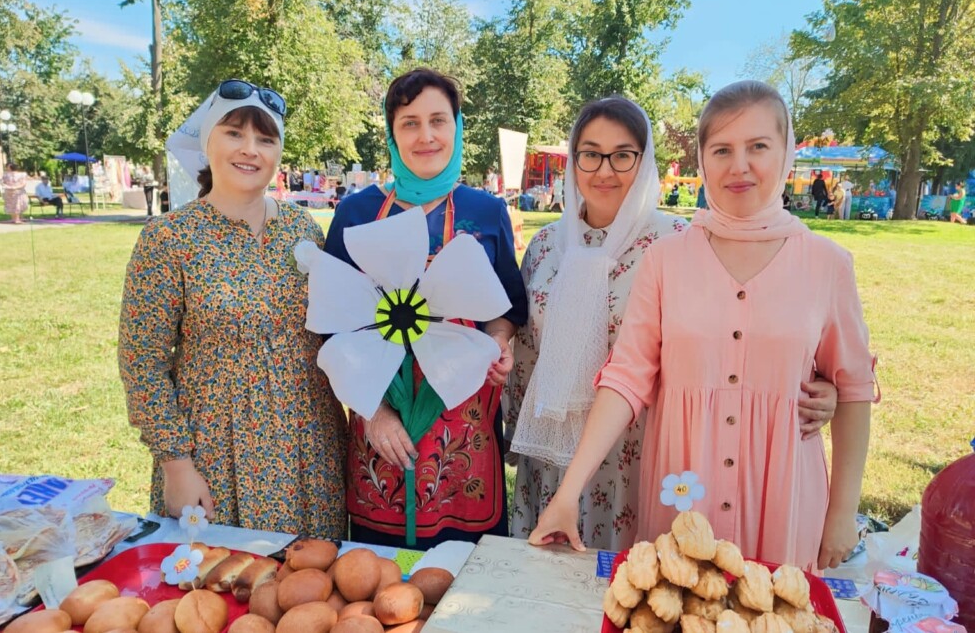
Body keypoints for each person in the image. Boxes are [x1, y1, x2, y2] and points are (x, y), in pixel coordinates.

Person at [530, 81, 876, 572]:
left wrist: (842, 512)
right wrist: (569, 492)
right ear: (702, 159)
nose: (739, 166)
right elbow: (626, 376)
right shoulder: (666, 260)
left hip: (782, 498)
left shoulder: (828, 265)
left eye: (758, 146)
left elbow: (854, 388)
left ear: (787, 152)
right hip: (681, 493)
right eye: (722, 149)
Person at [118, 79, 347, 536]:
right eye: (234, 133)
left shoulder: (303, 230)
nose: (251, 150)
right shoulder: (169, 239)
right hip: (215, 454)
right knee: (222, 590)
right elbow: (142, 362)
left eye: (266, 138)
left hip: (309, 446)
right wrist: (176, 464)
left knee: (310, 591)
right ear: (207, 142)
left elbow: (335, 330)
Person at [324, 67, 527, 549]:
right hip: (384, 421)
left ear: (457, 126)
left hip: (464, 423)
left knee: (466, 579)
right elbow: (331, 325)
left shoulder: (487, 211)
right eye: (409, 123)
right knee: (382, 582)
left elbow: (505, 306)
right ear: (392, 133)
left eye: (438, 120)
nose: (426, 135)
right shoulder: (355, 214)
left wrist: (500, 342)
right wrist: (373, 413)